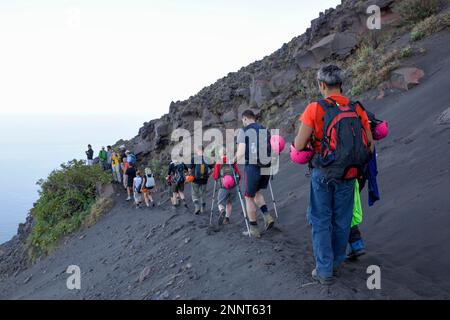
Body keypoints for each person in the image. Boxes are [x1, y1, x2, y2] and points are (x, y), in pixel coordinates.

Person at [294, 65, 374, 285]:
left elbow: (299, 144)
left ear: (321, 84)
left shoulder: (314, 108)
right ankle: (336, 264)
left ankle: (324, 270)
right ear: (341, 83)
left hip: (323, 173)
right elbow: (370, 145)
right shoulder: (357, 108)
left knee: (320, 220)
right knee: (342, 220)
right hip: (349, 174)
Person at [234, 110, 274, 238]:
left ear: (245, 119)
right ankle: (267, 217)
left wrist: (232, 160)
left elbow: (240, 152)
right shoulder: (263, 128)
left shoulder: (244, 131)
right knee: (257, 192)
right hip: (266, 166)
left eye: (242, 120)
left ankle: (254, 229)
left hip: (252, 167)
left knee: (248, 197)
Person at [213, 147, 241, 225]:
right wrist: (236, 183)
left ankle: (222, 211)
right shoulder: (231, 161)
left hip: (224, 187)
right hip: (233, 186)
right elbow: (238, 174)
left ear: (220, 154)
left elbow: (215, 176)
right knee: (229, 203)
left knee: (220, 202)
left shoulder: (218, 162)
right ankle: (227, 219)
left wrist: (218, 180)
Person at [189, 146, 214, 215]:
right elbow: (213, 169)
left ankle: (197, 207)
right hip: (204, 180)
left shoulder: (194, 158)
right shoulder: (207, 159)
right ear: (203, 150)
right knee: (203, 194)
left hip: (195, 180)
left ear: (198, 151)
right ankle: (203, 208)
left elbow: (190, 169)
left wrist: (190, 175)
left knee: (194, 194)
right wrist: (208, 175)